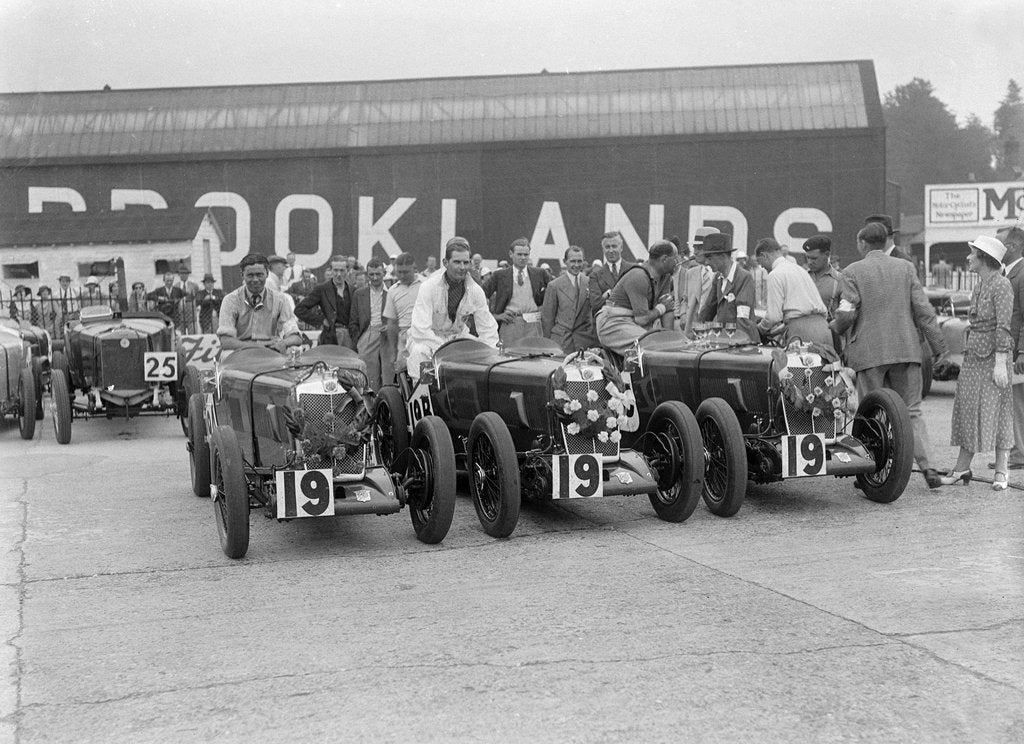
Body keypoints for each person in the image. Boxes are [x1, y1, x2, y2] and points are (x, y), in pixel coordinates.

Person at [831, 221, 948, 488]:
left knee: (871, 412)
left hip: (869, 353)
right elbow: (924, 313)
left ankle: (870, 469)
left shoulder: (851, 272)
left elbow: (846, 314)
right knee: (913, 411)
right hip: (906, 350)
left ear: (862, 243)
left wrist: (835, 327)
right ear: (885, 242)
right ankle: (928, 467)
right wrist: (939, 348)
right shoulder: (906, 268)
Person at [940, 236, 1014, 490]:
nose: (968, 258)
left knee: (999, 409)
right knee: (968, 409)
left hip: (995, 358)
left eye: (972, 254)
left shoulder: (1002, 286)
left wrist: (1001, 362)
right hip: (974, 357)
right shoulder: (979, 286)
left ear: (984, 258)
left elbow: (1004, 326)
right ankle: (962, 468)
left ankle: (1002, 471)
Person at [406, 237, 499, 380]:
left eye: (465, 262)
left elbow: (488, 329)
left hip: (457, 338)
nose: (462, 267)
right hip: (428, 340)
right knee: (420, 353)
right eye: (457, 262)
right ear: (445, 263)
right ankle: (424, 395)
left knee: (485, 352)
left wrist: (491, 352)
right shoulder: (429, 287)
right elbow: (420, 330)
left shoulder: (475, 290)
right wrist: (445, 348)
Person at [595, 239, 677, 355]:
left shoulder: (665, 276)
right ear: (664, 259)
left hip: (633, 322)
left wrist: (670, 340)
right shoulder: (639, 276)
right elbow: (642, 318)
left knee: (677, 343)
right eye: (675, 258)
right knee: (652, 345)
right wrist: (661, 308)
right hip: (613, 322)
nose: (677, 262)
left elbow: (668, 308)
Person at [753, 238, 833, 350]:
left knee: (800, 367)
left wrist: (759, 330)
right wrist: (774, 332)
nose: (761, 267)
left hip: (802, 334)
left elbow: (773, 317)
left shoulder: (775, 275)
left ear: (764, 255)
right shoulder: (800, 270)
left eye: (759, 261)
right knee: (827, 367)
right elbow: (798, 313)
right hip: (824, 330)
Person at [217, 253, 302, 353]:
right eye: (250, 275)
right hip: (240, 352)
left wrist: (283, 343)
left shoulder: (280, 300)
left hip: (271, 351)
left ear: (267, 273)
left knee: (295, 350)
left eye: (259, 275)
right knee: (226, 354)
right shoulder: (231, 300)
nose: (255, 280)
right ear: (242, 275)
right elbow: (225, 342)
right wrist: (256, 346)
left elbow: (296, 337)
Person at [990, 226, 1024, 472]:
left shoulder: (1021, 274)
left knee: (1015, 404)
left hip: (1016, 352)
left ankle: (1018, 454)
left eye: (999, 244)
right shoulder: (1009, 274)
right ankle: (1015, 452)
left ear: (1012, 247)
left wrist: (1022, 351)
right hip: (1012, 350)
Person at [483, 237, 550, 344]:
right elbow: (480, 295)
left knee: (535, 356)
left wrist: (545, 309)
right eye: (519, 254)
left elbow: (555, 290)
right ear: (511, 254)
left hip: (534, 325)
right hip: (510, 325)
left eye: (526, 255)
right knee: (509, 356)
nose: (523, 258)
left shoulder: (540, 273)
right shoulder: (500, 275)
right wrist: (495, 316)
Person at [698, 233, 759, 343]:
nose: (706, 263)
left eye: (709, 258)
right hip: (725, 342)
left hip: (743, 344)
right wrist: (697, 331)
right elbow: (708, 309)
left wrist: (736, 345)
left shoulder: (744, 277)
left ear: (722, 256)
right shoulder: (718, 278)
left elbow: (743, 319)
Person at [541, 245, 597, 352]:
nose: (576, 265)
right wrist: (550, 344)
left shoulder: (590, 282)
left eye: (579, 261)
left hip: (584, 341)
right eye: (573, 261)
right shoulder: (554, 285)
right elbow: (547, 319)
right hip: (561, 341)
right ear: (564, 261)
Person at [347, 258, 392, 390]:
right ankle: (369, 406)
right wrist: (359, 341)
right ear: (367, 275)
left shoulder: (392, 293)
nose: (375, 277)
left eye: (378, 274)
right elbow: (353, 321)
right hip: (367, 333)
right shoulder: (359, 294)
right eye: (371, 274)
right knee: (368, 376)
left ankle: (387, 402)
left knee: (388, 374)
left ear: (384, 273)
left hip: (387, 335)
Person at [295, 255, 356, 349]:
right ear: (331, 271)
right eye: (335, 270)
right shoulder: (322, 289)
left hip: (351, 338)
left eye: (342, 270)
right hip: (330, 337)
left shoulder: (353, 290)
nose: (338, 274)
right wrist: (321, 320)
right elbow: (299, 309)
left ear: (347, 271)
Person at [383, 253, 422, 381]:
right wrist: (393, 352)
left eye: (406, 272)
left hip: (424, 336)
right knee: (402, 376)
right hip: (404, 338)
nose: (402, 275)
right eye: (399, 272)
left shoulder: (426, 285)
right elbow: (392, 324)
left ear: (414, 268)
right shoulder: (393, 291)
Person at [682, 227, 719, 337]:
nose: (695, 252)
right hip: (692, 334)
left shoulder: (723, 275)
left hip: (716, 335)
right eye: (694, 247)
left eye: (700, 248)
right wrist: (683, 314)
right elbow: (685, 299)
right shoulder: (691, 273)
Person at [588, 230, 635, 317]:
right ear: (603, 250)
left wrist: (606, 295)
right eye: (607, 247)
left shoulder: (633, 270)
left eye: (614, 246)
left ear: (621, 248)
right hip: (607, 323)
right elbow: (595, 304)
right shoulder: (595, 276)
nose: (611, 250)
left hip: (631, 322)